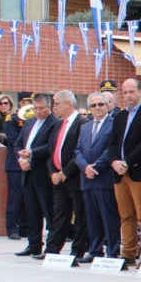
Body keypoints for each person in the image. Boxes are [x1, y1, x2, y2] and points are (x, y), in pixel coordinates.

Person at [108, 78, 141, 264]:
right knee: (125, 215)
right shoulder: (120, 116)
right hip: (119, 173)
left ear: (139, 91)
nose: (128, 96)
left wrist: (127, 162)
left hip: (138, 172)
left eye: (131, 92)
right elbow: (112, 142)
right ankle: (128, 253)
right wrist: (114, 161)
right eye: (125, 92)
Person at [44, 90, 90, 260]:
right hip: (58, 178)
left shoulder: (82, 123)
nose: (54, 107)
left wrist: (65, 172)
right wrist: (53, 173)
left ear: (68, 103)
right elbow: (51, 151)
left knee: (80, 215)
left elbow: (80, 151)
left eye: (56, 103)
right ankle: (52, 250)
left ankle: (78, 251)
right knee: (59, 215)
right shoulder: (58, 124)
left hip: (75, 177)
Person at [75, 91, 121, 261]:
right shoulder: (85, 127)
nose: (97, 108)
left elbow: (111, 148)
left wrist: (97, 167)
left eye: (101, 104)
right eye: (93, 105)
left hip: (104, 177)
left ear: (107, 106)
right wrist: (85, 167)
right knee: (92, 218)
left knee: (109, 217)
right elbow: (78, 150)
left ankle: (112, 250)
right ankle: (95, 250)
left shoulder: (113, 124)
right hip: (87, 178)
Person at [15, 94, 57, 258]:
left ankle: (51, 246)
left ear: (49, 107)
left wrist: (31, 155)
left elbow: (50, 146)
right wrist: (21, 158)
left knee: (48, 211)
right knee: (31, 211)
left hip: (43, 173)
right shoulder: (30, 122)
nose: (38, 112)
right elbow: (19, 142)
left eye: (41, 108)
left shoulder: (55, 123)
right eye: (36, 108)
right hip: (27, 173)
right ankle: (33, 245)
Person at [0, 93, 26, 240]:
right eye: (1, 103)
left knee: (25, 197)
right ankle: (12, 228)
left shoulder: (18, 117)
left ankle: (24, 228)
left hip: (24, 161)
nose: (4, 106)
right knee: (14, 196)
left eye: (6, 103)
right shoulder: (0, 119)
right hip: (12, 160)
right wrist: (4, 136)